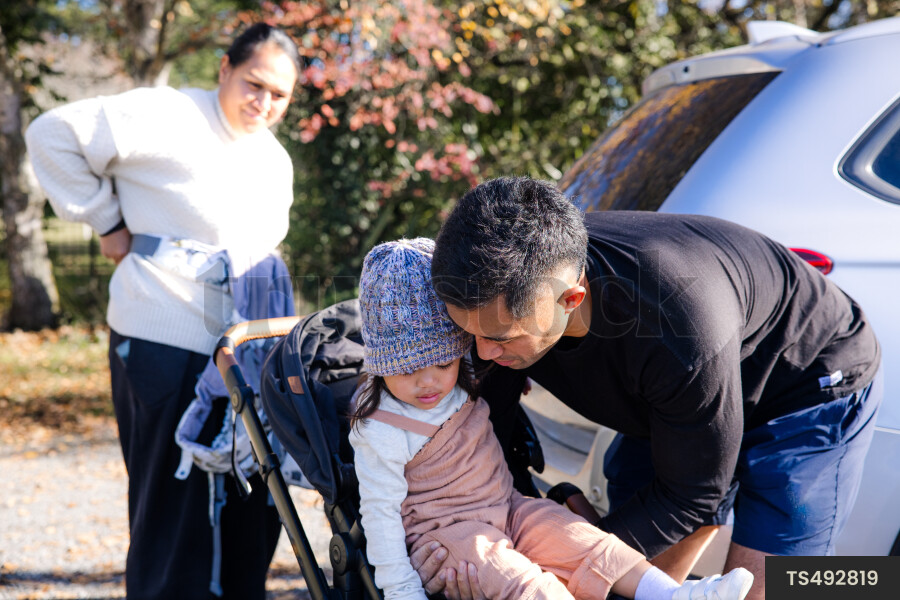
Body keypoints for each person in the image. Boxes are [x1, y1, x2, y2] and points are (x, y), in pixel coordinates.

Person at [418, 176, 882, 600]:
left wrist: (563, 558)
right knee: (625, 582)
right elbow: (488, 443)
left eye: (501, 339)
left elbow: (692, 492)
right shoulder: (505, 296)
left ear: (571, 300)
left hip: (807, 383)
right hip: (685, 394)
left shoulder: (675, 328)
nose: (479, 353)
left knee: (764, 589)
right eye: (468, 333)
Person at [25, 23, 301, 600]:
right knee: (172, 511)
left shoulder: (274, 161)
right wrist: (107, 220)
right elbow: (50, 134)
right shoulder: (167, 115)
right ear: (225, 68)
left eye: (280, 95)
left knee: (251, 507)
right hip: (161, 339)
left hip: (241, 356)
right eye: (255, 84)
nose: (265, 103)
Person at [348, 238, 754, 600]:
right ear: (382, 367)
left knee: (586, 539)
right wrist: (401, 589)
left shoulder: (464, 378)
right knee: (529, 584)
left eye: (442, 362)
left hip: (506, 507)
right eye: (406, 371)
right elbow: (380, 516)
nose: (427, 382)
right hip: (449, 537)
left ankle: (674, 594)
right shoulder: (382, 427)